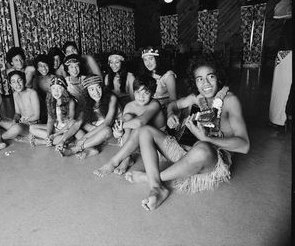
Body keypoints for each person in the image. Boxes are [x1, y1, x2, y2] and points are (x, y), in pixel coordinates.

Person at [124, 54, 250, 211]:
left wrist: (206, 138)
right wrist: (171, 115)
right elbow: (173, 105)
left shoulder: (230, 101)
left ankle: (148, 177)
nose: (206, 84)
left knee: (202, 148)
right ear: (195, 82)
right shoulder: (196, 97)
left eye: (210, 77)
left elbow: (244, 146)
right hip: (185, 150)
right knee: (145, 131)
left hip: (212, 158)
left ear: (218, 77)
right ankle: (157, 188)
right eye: (199, 79)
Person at [93, 74, 167, 177]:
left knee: (138, 126)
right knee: (127, 116)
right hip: (138, 142)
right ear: (133, 92)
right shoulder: (129, 106)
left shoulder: (155, 104)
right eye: (138, 92)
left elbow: (141, 122)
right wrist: (118, 131)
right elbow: (120, 133)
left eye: (146, 93)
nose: (141, 97)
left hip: (158, 143)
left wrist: (122, 125)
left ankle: (113, 162)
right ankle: (127, 158)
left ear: (153, 93)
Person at [59, 74, 122, 159]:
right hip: (95, 130)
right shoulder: (85, 101)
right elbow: (77, 124)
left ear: (102, 87)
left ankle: (75, 149)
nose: (96, 92)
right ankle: (92, 149)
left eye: (98, 88)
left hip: (111, 132)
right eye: (91, 89)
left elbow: (107, 123)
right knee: (75, 123)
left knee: (107, 130)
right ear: (87, 92)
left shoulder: (112, 98)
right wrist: (62, 140)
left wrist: (84, 138)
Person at [28, 75, 82, 150]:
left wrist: (55, 134)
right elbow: (50, 120)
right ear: (51, 90)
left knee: (65, 137)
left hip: (65, 131)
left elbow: (71, 123)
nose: (56, 91)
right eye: (53, 88)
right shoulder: (51, 101)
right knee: (32, 128)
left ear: (64, 89)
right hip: (55, 128)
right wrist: (48, 135)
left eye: (59, 88)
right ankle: (49, 140)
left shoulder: (71, 101)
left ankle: (43, 142)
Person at [0, 70, 40, 141]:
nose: (17, 84)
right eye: (13, 82)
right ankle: (9, 134)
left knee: (17, 128)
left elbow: (37, 116)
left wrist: (23, 122)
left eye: (19, 80)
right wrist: (15, 120)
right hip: (21, 123)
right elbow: (17, 113)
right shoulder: (15, 94)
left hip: (32, 125)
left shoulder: (32, 93)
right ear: (10, 85)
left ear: (24, 80)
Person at [32, 53, 55, 123]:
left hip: (54, 109)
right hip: (42, 110)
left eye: (45, 65)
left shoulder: (54, 78)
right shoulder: (36, 80)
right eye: (41, 66)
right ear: (37, 68)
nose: (44, 68)